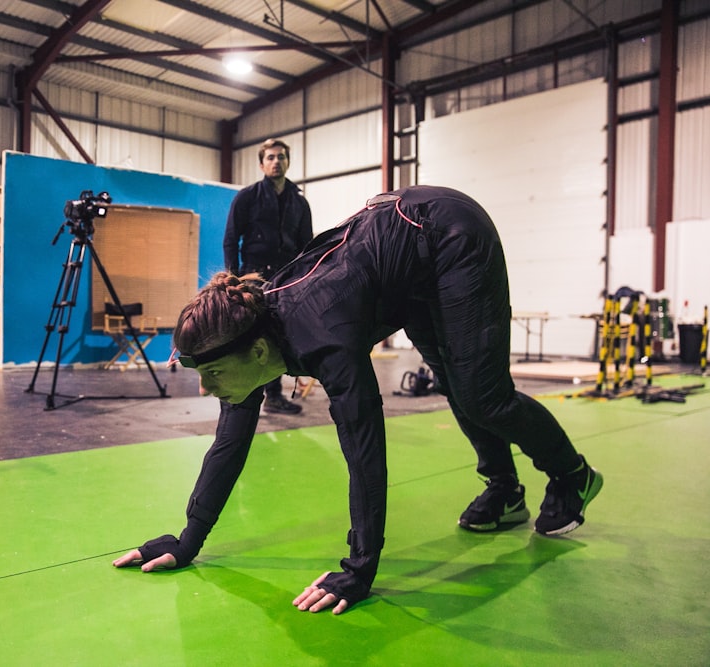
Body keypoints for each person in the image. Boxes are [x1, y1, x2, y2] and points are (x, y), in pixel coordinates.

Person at [113, 185, 603, 615]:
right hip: (405, 257)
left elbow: (364, 450)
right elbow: (229, 443)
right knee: (457, 384)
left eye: (212, 374)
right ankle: (505, 492)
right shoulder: (246, 332)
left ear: (258, 353)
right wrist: (188, 540)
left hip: (452, 236)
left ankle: (572, 476)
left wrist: (359, 568)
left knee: (483, 394)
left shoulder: (325, 338)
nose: (206, 389)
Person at [222, 138, 313, 414]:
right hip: (254, 277)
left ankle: (273, 396)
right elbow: (230, 239)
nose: (276, 161)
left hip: (288, 278)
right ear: (262, 164)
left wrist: (306, 278)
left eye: (281, 157)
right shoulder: (247, 197)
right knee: (249, 336)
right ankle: (243, 394)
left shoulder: (300, 203)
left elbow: (307, 246)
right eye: (271, 157)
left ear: (288, 162)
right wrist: (233, 278)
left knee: (277, 336)